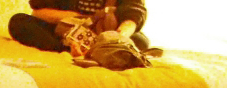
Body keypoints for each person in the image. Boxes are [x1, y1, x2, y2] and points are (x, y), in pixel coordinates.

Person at [8, 0, 149, 55]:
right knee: (19, 22)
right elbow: (38, 12)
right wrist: (79, 19)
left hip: (105, 35)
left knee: (141, 41)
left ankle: (100, 52)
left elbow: (133, 15)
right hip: (64, 31)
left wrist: (117, 39)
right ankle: (67, 50)